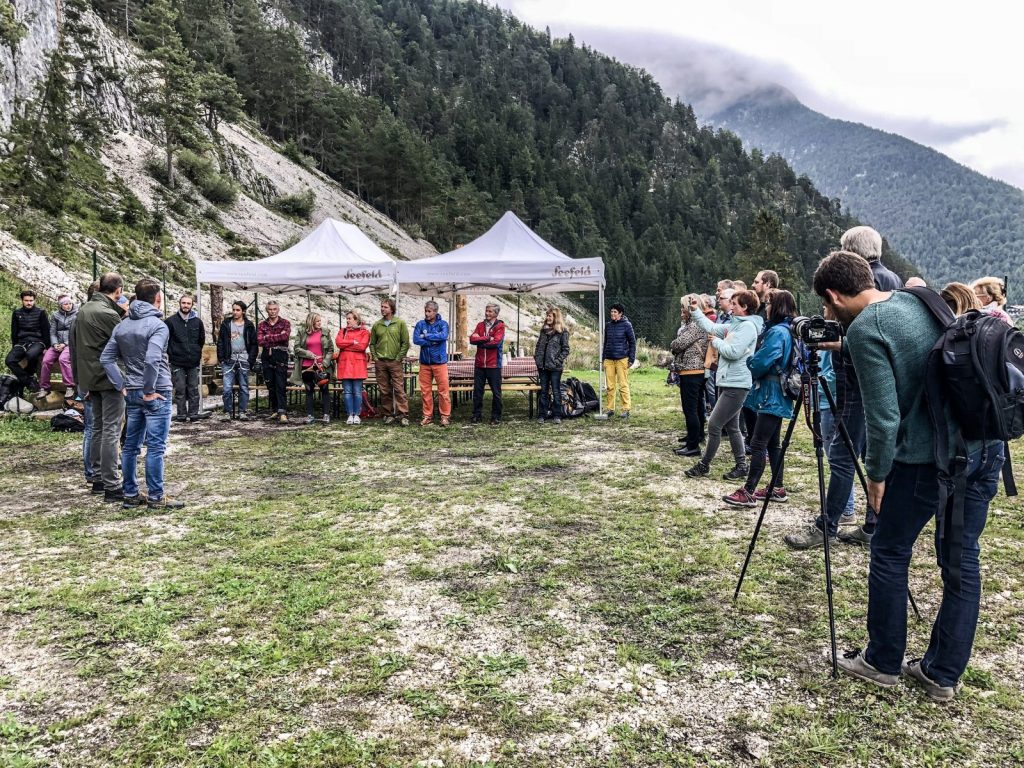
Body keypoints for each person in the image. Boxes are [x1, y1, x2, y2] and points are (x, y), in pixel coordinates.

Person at [814, 250, 1004, 701]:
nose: (827, 314)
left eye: (825, 305)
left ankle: (882, 661)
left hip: (926, 460)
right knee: (962, 561)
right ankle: (942, 674)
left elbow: (883, 419)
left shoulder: (867, 328)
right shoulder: (918, 298)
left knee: (889, 550)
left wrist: (876, 477)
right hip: (982, 448)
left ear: (834, 295)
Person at [100, 279, 183, 510]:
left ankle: (130, 493)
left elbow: (106, 359)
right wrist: (149, 391)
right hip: (156, 391)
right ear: (157, 299)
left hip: (133, 390)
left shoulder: (122, 325)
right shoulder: (158, 326)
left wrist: (121, 385)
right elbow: (152, 359)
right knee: (155, 447)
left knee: (130, 446)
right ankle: (156, 496)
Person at [723, 290, 796, 506]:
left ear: (777, 306)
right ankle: (777, 487)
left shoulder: (776, 332)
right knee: (773, 443)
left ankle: (748, 491)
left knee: (758, 443)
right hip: (780, 393)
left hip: (770, 393)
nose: (767, 308)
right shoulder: (789, 330)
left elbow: (761, 362)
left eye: (769, 304)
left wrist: (750, 361)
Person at [685, 290, 762, 479]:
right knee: (733, 427)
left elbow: (734, 352)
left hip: (737, 384)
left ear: (745, 307)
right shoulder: (735, 325)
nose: (731, 307)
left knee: (714, 424)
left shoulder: (747, 327)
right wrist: (695, 310)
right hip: (728, 381)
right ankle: (741, 466)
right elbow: (710, 326)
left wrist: (717, 343)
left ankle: (704, 465)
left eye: (735, 304)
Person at [71, 273, 125, 502]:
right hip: (109, 378)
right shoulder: (107, 313)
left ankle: (97, 478)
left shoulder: (83, 310)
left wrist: (79, 381)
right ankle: (112, 484)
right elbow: (123, 342)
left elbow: (74, 347)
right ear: (118, 290)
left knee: (98, 428)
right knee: (111, 430)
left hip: (90, 378)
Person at [670, 295, 709, 456]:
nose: (681, 311)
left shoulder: (695, 325)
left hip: (691, 371)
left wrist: (673, 344)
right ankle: (696, 436)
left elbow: (678, 344)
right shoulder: (698, 324)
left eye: (683, 308)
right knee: (697, 407)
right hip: (696, 371)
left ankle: (693, 445)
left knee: (690, 409)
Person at [165, 294, 208, 422]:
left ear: (192, 305)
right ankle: (181, 415)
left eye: (188, 303)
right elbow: (166, 340)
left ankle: (193, 414)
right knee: (180, 389)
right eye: (183, 303)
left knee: (193, 388)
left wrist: (196, 352)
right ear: (180, 303)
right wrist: (172, 353)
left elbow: (201, 340)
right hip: (177, 361)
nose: (186, 305)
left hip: (193, 361)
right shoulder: (170, 321)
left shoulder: (197, 322)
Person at [369, 298, 410, 426]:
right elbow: (372, 344)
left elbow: (405, 343)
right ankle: (388, 414)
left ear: (392, 309)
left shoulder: (400, 323)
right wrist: (375, 358)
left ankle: (403, 415)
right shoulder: (377, 325)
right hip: (380, 362)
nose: (382, 309)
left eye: (385, 307)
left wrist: (398, 358)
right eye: (381, 306)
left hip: (394, 362)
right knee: (384, 390)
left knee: (399, 388)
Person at [290, 312, 334, 424]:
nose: (320, 323)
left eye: (320, 321)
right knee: (309, 390)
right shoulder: (302, 332)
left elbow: (330, 349)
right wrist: (308, 354)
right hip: (307, 366)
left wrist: (325, 362)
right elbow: (296, 348)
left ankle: (326, 414)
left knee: (325, 389)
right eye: (317, 321)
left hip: (322, 366)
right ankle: (310, 415)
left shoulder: (325, 332)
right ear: (311, 322)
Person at [217, 301, 258, 420]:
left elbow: (254, 344)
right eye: (233, 309)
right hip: (229, 359)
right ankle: (227, 412)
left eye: (238, 310)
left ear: (243, 311)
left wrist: (250, 360)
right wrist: (221, 359)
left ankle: (242, 412)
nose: (235, 312)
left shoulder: (249, 325)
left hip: (244, 359)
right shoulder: (226, 323)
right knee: (227, 388)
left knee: (244, 387)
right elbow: (220, 342)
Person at [414, 300, 451, 427]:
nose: (427, 313)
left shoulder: (443, 324)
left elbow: (443, 336)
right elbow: (416, 339)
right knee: (425, 391)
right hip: (425, 363)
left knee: (443, 391)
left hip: (440, 362)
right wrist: (432, 341)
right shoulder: (420, 324)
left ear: (435, 312)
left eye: (429, 311)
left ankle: (445, 416)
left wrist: (426, 336)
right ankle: (427, 416)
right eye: (426, 311)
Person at [7, 290, 50, 396]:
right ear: (22, 300)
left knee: (31, 355)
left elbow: (46, 330)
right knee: (9, 360)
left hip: (38, 341)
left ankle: (29, 377)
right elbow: (14, 331)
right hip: (22, 342)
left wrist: (47, 347)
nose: (29, 303)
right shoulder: (16, 313)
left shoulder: (41, 312)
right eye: (26, 300)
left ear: (34, 300)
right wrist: (14, 347)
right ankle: (29, 381)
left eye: (31, 300)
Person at [469, 303, 506, 425]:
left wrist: (480, 341)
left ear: (496, 313)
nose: (487, 313)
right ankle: (476, 415)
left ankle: (496, 417)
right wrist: (488, 338)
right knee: (477, 392)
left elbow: (496, 343)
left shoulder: (500, 326)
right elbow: (472, 339)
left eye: (490, 311)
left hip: (493, 364)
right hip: (479, 364)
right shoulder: (480, 325)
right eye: (486, 310)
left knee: (496, 392)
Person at [257, 300, 291, 422]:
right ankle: (275, 410)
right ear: (267, 310)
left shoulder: (285, 323)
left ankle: (282, 412)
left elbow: (285, 337)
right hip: (266, 355)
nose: (272, 311)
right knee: (270, 385)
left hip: (281, 354)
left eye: (274, 309)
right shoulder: (262, 325)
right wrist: (277, 337)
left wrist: (268, 337)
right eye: (270, 309)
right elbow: (260, 340)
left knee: (280, 384)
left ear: (278, 309)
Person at [534, 307, 570, 424]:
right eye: (547, 315)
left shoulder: (563, 332)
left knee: (556, 391)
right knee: (543, 391)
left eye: (550, 316)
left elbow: (565, 349)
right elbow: (538, 345)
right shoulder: (543, 331)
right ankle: (542, 415)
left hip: (555, 368)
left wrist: (557, 361)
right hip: (542, 366)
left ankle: (557, 415)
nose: (547, 318)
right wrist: (537, 358)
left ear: (556, 317)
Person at [841, 226, 903, 291]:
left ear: (851, 251)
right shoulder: (896, 278)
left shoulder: (863, 279)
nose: (841, 252)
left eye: (843, 247)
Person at [335, 310, 370, 425]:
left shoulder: (365, 332)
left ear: (356, 320)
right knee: (347, 392)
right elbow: (338, 343)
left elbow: (362, 346)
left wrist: (346, 345)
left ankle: (357, 414)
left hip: (358, 365)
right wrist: (353, 342)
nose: (347, 321)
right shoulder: (342, 331)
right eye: (347, 318)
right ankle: (350, 414)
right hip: (345, 365)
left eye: (349, 318)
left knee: (357, 392)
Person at [602, 303, 636, 419]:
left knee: (623, 385)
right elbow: (605, 343)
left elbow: (632, 343)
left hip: (622, 359)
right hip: (609, 360)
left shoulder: (627, 325)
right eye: (611, 311)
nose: (612, 314)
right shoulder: (608, 326)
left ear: (620, 313)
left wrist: (631, 359)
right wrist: (603, 358)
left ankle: (626, 409)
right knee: (610, 386)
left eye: (615, 312)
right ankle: (610, 409)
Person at [38, 295, 76, 399]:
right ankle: (44, 387)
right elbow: (52, 332)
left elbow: (76, 333)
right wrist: (55, 344)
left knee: (63, 359)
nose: (68, 306)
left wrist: (65, 344)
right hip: (57, 344)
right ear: (61, 305)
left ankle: (70, 386)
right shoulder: (55, 315)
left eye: (70, 303)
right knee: (46, 360)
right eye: (65, 304)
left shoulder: (77, 314)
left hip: (70, 344)